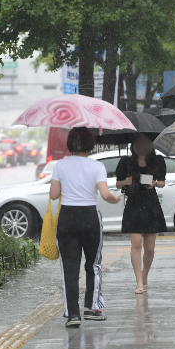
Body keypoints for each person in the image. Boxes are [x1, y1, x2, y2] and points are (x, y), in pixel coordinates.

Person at [49, 127, 123, 328]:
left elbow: (54, 195)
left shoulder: (61, 165)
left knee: (69, 269)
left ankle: (73, 314)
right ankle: (92, 308)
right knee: (93, 264)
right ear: (91, 144)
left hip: (67, 219)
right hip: (89, 217)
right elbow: (105, 194)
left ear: (70, 144)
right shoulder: (96, 166)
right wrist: (115, 199)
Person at [115, 135, 168, 294]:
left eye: (146, 143)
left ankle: (144, 276)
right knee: (136, 244)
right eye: (140, 142)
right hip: (134, 204)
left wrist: (154, 183)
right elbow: (117, 183)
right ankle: (139, 282)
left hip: (151, 205)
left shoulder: (157, 161)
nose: (143, 145)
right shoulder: (126, 162)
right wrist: (125, 182)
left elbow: (163, 182)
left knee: (150, 248)